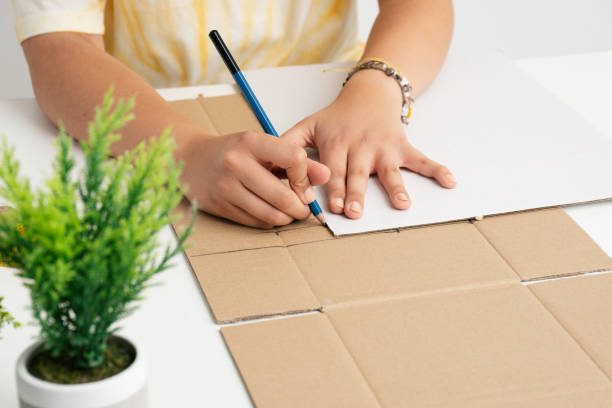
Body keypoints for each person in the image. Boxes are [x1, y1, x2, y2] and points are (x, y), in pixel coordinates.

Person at [13, 0, 456, 228]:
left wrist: (377, 89)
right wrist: (182, 151)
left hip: (343, 95)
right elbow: (57, 47)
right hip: (142, 119)